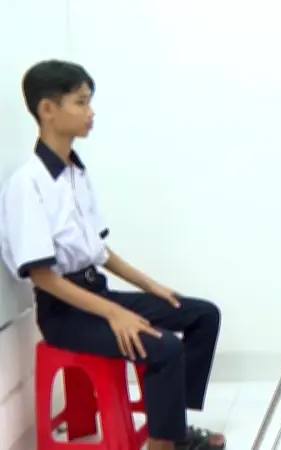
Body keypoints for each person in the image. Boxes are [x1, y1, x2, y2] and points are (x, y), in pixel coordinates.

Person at [0, 60, 226, 450]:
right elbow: (43, 277)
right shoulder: (27, 184)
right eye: (80, 102)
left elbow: (98, 251)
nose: (90, 112)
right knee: (164, 347)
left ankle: (172, 428)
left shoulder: (76, 173)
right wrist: (114, 313)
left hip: (96, 292)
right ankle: (164, 443)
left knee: (203, 315)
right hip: (64, 313)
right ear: (47, 109)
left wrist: (151, 285)